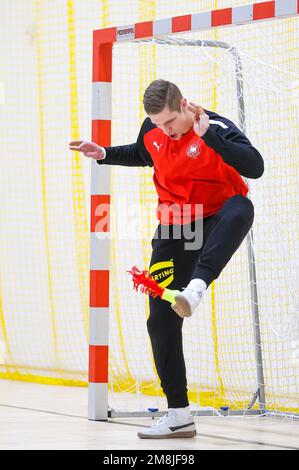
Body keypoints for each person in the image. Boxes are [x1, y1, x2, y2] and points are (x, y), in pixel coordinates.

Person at [69, 79, 264, 439]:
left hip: (219, 216)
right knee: (160, 320)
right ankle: (178, 415)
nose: (165, 131)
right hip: (175, 228)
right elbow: (142, 153)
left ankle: (197, 287)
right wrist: (104, 153)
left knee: (242, 207)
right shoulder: (154, 130)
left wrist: (211, 140)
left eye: (170, 123)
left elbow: (255, 167)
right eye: (158, 124)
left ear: (185, 106)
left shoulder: (215, 127)